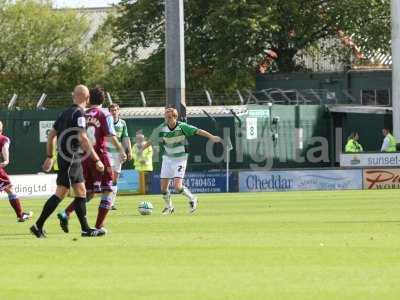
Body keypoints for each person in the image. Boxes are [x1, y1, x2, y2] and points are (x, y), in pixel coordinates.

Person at [30, 85, 105, 238]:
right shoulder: (79, 113)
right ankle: (82, 229)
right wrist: (97, 159)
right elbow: (82, 138)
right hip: (72, 157)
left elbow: (51, 135)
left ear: (73, 96)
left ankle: (40, 226)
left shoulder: (64, 113)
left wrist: (50, 156)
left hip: (63, 157)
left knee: (69, 192)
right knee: (75, 192)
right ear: (87, 98)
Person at [58, 86, 127, 234]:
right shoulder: (104, 114)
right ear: (103, 99)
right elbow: (111, 136)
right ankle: (98, 226)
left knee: (87, 193)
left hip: (84, 157)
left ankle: (66, 213)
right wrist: (122, 150)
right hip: (99, 156)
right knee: (108, 190)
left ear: (90, 98)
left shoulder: (83, 113)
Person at [142, 107, 221, 214]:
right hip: (167, 158)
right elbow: (151, 140)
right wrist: (141, 149)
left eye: (169, 117)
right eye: (166, 117)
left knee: (177, 187)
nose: (167, 119)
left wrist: (211, 137)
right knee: (163, 188)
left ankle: (192, 198)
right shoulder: (161, 128)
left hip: (180, 159)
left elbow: (198, 131)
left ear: (175, 117)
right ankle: (169, 207)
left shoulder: (182, 127)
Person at [0, 121, 33, 222]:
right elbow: (5, 148)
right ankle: (20, 215)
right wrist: (6, 159)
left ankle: (20, 215)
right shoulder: (3, 139)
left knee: (9, 189)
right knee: (9, 188)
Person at [107, 103, 132, 210]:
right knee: (109, 176)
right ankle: (106, 201)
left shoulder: (122, 123)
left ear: (118, 111)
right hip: (107, 153)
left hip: (118, 154)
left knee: (115, 179)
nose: (114, 112)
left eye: (115, 110)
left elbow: (125, 138)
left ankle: (111, 203)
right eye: (112, 110)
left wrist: (129, 151)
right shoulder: (106, 122)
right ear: (109, 112)